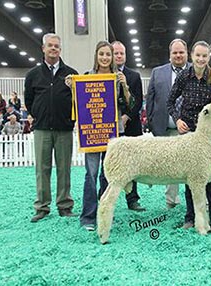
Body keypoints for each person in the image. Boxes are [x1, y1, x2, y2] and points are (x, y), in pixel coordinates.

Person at [167, 40, 211, 235]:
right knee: (189, 178)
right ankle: (190, 218)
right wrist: (177, 119)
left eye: (204, 56)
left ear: (209, 57)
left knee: (210, 178)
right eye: (198, 55)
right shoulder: (184, 76)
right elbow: (170, 101)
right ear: (192, 56)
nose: (201, 59)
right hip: (187, 132)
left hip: (206, 135)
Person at [76, 41, 132, 231]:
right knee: (91, 174)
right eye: (102, 54)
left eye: (108, 54)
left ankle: (105, 213)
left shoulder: (117, 77)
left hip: (112, 131)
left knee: (109, 176)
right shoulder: (86, 77)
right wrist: (71, 86)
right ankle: (88, 217)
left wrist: (124, 85)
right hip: (92, 132)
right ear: (96, 56)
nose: (105, 58)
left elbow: (129, 104)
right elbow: (80, 103)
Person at [24, 33, 78, 222]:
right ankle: (42, 206)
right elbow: (28, 101)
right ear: (43, 48)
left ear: (60, 50)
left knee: (64, 169)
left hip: (64, 129)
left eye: (56, 46)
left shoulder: (71, 74)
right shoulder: (32, 75)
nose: (53, 49)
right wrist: (38, 115)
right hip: (42, 129)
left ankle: (64, 205)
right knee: (42, 168)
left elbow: (77, 101)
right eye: (50, 46)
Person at [145, 39, 190, 209]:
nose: (178, 55)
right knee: (170, 168)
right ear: (170, 54)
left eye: (181, 52)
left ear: (186, 53)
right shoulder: (157, 72)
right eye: (175, 52)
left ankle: (193, 202)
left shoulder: (196, 71)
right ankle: (172, 201)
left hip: (189, 131)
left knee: (191, 167)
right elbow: (150, 99)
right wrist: (152, 124)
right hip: (165, 130)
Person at [111, 40, 145, 212]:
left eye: (121, 53)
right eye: (115, 53)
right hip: (109, 126)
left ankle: (132, 199)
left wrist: (126, 116)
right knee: (109, 162)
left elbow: (138, 102)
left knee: (133, 163)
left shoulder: (134, 76)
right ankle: (106, 196)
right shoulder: (103, 74)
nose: (118, 56)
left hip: (131, 126)